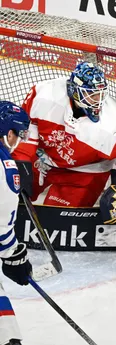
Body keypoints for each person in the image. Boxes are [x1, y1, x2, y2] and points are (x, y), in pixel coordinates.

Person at [12, 61, 116, 209]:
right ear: (73, 90)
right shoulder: (45, 96)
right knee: (8, 193)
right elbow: (25, 132)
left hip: (84, 172)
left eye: (99, 94)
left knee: (56, 218)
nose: (97, 101)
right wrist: (21, 163)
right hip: (43, 159)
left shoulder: (115, 123)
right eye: (90, 94)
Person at [0, 101, 33, 345]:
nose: (17, 141)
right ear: (8, 133)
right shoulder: (6, 168)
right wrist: (13, 255)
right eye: (18, 134)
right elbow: (1, 226)